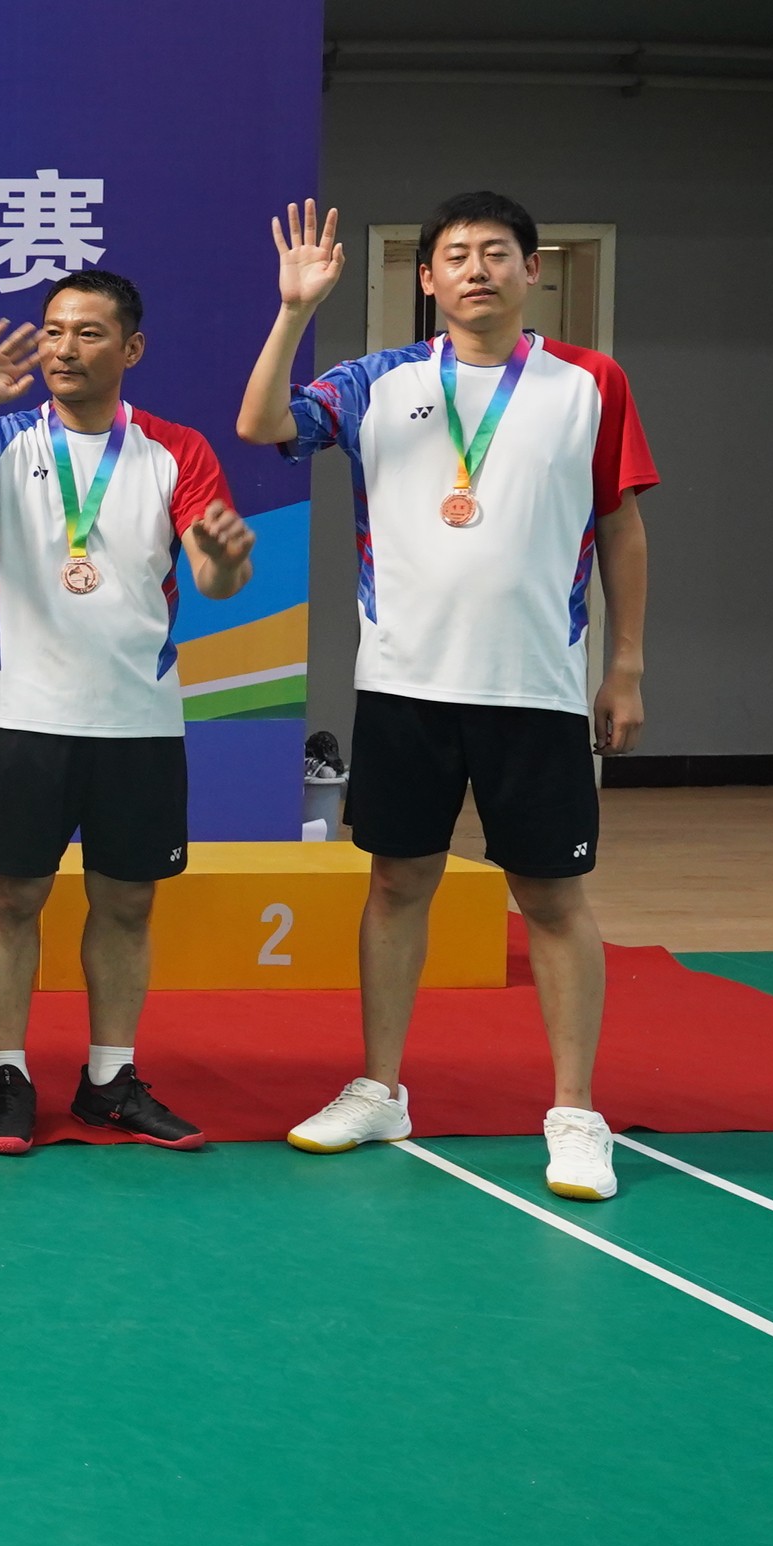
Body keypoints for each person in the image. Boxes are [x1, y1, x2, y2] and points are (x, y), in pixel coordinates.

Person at [239, 194, 655, 1202]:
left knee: (552, 898)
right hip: (404, 683)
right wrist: (295, 311)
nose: (477, 269)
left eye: (496, 253)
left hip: (538, 686)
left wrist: (626, 666)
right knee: (396, 884)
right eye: (456, 255)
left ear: (532, 270)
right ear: (425, 279)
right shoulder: (375, 381)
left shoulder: (590, 382)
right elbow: (260, 425)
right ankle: (380, 1088)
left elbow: (620, 526)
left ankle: (575, 1112)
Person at [0, 270, 256, 1158]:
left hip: (140, 719)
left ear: (131, 348)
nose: (64, 348)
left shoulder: (175, 449)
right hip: (25, 716)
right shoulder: (2, 437)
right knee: (13, 899)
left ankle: (109, 1079)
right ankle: (8, 1073)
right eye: (54, 331)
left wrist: (223, 559)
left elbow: (215, 577)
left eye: (88, 333)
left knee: (126, 903)